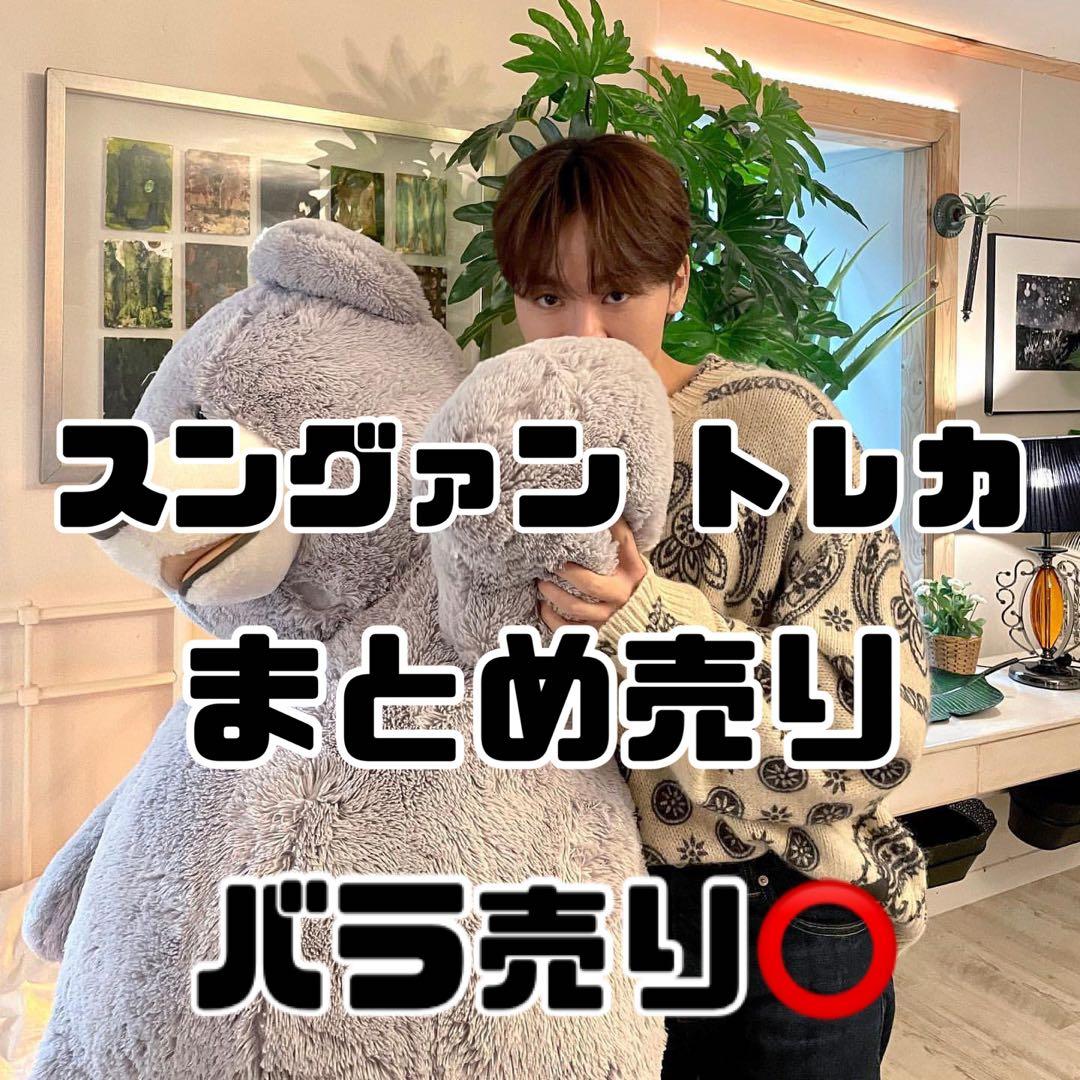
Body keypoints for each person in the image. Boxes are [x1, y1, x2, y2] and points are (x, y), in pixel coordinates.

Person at [491, 133, 930, 1080]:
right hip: (588, 920)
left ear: (678, 282)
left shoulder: (780, 430)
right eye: (548, 296)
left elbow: (876, 728)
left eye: (617, 292)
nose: (583, 335)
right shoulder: (496, 452)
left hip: (787, 914)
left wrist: (648, 625)